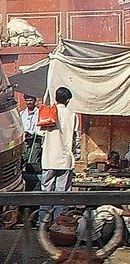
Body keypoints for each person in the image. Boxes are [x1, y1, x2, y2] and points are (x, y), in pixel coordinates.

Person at [38, 87, 79, 225]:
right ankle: (59, 223)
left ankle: (43, 222)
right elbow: (76, 139)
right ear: (67, 100)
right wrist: (76, 155)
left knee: (46, 190)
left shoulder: (48, 112)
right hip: (65, 160)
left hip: (49, 158)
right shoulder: (72, 116)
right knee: (62, 193)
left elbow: (40, 133)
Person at [20, 93, 43, 190]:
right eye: (27, 100)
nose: (29, 102)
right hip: (24, 142)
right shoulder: (22, 113)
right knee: (22, 161)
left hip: (35, 141)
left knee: (33, 163)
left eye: (31, 100)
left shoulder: (40, 113)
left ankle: (33, 185)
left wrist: (32, 133)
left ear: (35, 101)